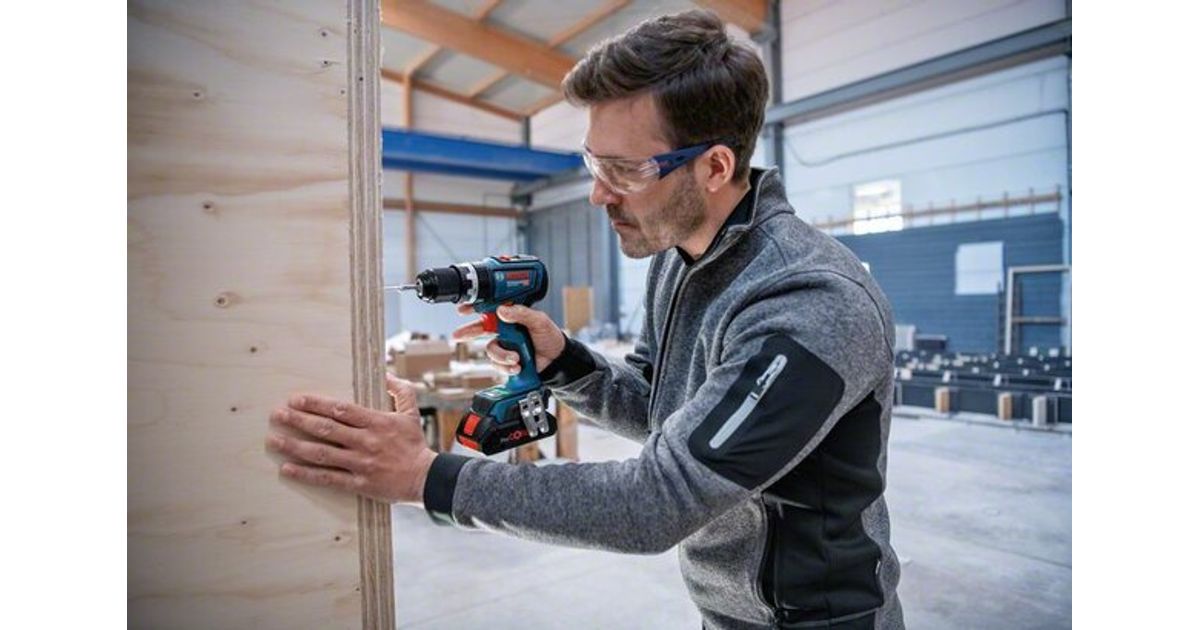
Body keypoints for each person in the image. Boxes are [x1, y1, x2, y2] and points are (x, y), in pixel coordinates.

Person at [266, 9, 904, 629]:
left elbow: (657, 501)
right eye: (595, 164)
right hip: (726, 611)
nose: (599, 193)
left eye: (625, 170)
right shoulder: (679, 257)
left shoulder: (809, 303)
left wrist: (425, 477)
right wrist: (565, 363)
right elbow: (662, 413)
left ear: (715, 167)